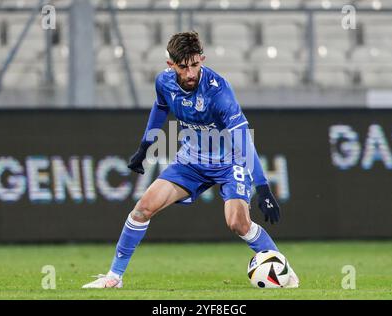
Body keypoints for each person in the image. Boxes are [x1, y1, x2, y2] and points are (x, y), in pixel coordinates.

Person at [82, 31, 299, 289]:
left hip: (230, 163)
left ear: (202, 60)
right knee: (142, 209)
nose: (190, 74)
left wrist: (262, 187)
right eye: (183, 67)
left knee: (238, 223)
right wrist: (144, 147)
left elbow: (242, 138)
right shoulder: (164, 83)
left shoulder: (219, 92)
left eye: (195, 65)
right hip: (191, 162)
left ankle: (283, 272)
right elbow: (160, 108)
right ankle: (114, 277)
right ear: (171, 65)